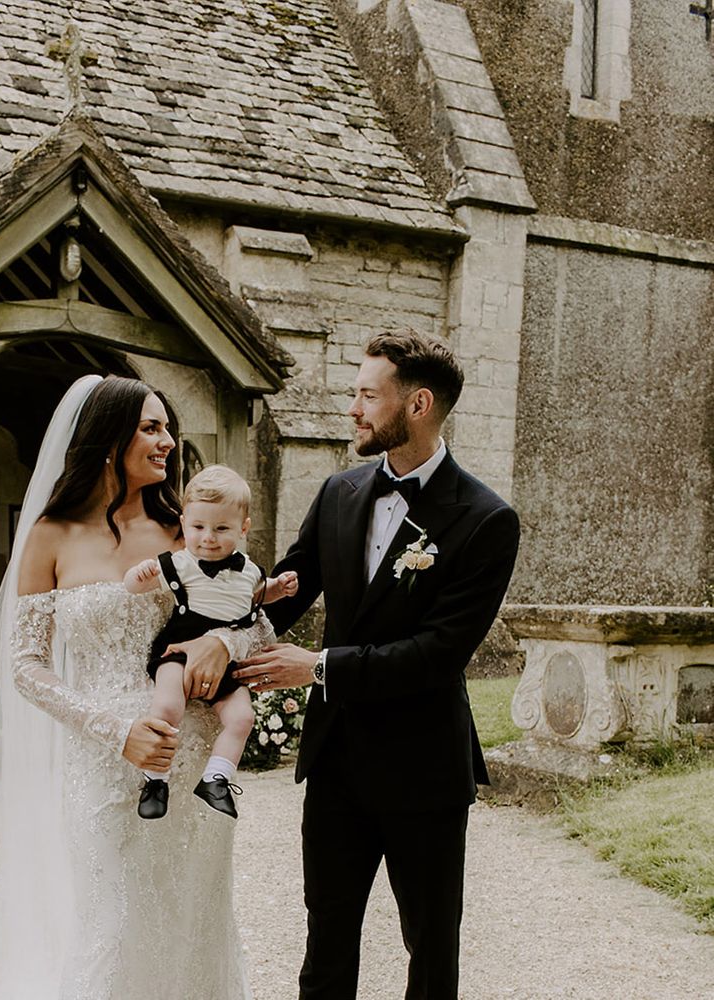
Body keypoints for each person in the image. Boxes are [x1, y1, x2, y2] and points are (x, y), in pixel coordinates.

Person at [233, 330, 521, 999]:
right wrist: (216, 630)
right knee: (326, 945)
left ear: (417, 405)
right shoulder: (339, 491)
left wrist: (320, 667)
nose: (354, 409)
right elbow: (286, 593)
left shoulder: (486, 520)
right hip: (336, 762)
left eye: (367, 395)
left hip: (424, 769)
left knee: (430, 950)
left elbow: (438, 654)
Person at [0, 374, 273, 1000]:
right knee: (112, 923)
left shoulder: (186, 530)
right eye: (151, 427)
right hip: (103, 762)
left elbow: (254, 620)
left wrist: (223, 644)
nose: (168, 441)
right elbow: (26, 665)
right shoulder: (49, 535)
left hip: (191, 758)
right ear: (109, 439)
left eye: (167, 427)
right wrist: (116, 732)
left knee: (193, 922)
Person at [124, 464, 298, 820]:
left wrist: (278, 589)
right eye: (198, 527)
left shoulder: (249, 570)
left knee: (242, 717)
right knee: (167, 707)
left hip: (227, 660)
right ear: (184, 523)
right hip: (179, 648)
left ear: (243, 528)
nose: (208, 538)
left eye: (221, 529)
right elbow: (135, 587)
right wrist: (137, 576)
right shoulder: (181, 563)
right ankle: (155, 780)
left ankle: (216, 779)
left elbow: (255, 596)